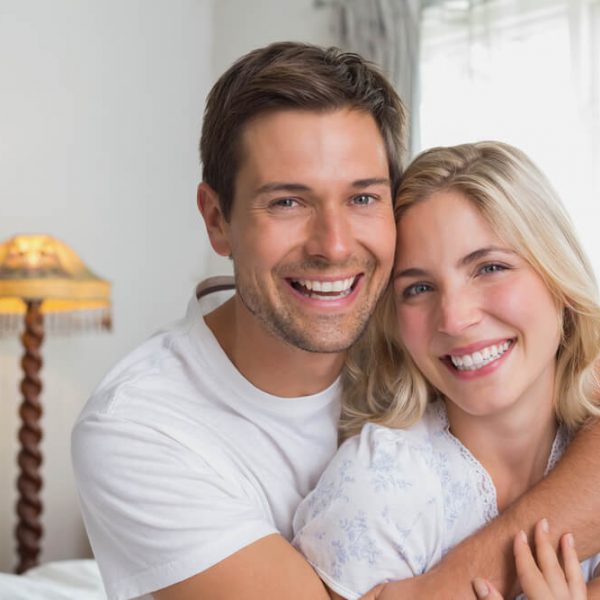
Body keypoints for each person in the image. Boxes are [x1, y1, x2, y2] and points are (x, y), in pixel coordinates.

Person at [71, 42, 600, 600]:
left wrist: (432, 591)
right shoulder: (138, 429)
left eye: (363, 198)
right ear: (216, 218)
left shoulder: (419, 328)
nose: (334, 246)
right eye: (288, 202)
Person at [293, 141, 600, 599]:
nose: (454, 319)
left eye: (490, 267)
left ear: (558, 276)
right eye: (418, 288)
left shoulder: (585, 432)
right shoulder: (377, 492)